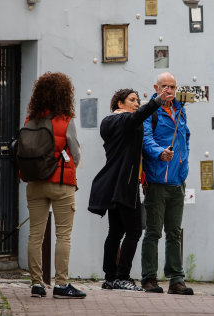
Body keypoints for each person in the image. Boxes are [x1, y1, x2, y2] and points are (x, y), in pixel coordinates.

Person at [88, 88, 172, 291]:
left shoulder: (108, 122)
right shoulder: (124, 120)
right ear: (120, 103)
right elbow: (138, 116)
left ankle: (109, 277)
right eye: (132, 100)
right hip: (126, 185)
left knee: (115, 232)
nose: (136, 103)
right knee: (134, 231)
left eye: (138, 100)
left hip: (112, 185)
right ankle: (122, 276)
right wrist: (157, 101)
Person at [23, 72, 85, 299]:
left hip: (35, 183)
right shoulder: (66, 120)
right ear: (65, 94)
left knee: (35, 236)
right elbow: (76, 155)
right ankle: (61, 284)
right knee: (63, 235)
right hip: (61, 184)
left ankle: (37, 284)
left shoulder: (30, 120)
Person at [140, 72, 193, 295]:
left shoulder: (181, 110)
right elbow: (146, 140)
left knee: (174, 232)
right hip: (156, 181)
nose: (168, 90)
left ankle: (176, 279)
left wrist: (183, 166)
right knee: (153, 232)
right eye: (164, 86)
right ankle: (149, 278)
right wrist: (160, 153)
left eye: (172, 86)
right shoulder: (150, 111)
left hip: (177, 181)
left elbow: (186, 138)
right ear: (156, 87)